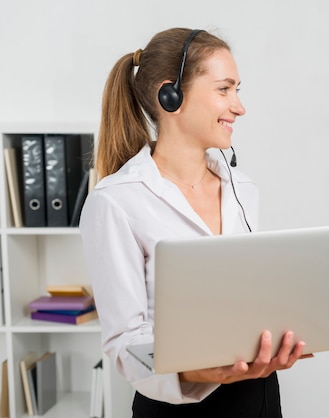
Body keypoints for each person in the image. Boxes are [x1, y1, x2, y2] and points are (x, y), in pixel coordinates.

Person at [80, 27, 306, 418]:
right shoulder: (116, 201)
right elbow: (125, 346)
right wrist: (196, 370)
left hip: (258, 396)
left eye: (238, 90)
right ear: (172, 96)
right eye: (224, 89)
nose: (239, 107)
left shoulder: (242, 188)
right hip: (176, 406)